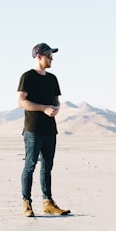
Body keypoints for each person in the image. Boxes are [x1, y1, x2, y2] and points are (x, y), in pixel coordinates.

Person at [17, 43, 71, 217]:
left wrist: (56, 108)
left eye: (52, 55)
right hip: (33, 129)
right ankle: (26, 203)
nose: (52, 59)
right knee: (30, 165)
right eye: (48, 55)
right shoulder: (28, 77)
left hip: (50, 129)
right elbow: (21, 102)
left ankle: (48, 203)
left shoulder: (52, 78)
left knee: (47, 166)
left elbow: (56, 100)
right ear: (38, 56)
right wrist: (43, 108)